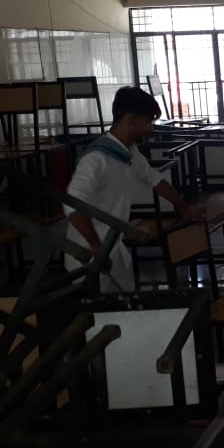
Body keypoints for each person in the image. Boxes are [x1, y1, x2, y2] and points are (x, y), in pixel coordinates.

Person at [64, 86, 198, 293]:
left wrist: (184, 208)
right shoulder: (96, 159)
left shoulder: (129, 153)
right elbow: (72, 204)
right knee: (99, 309)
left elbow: (155, 180)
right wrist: (95, 246)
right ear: (131, 119)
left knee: (124, 303)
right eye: (148, 121)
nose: (151, 128)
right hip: (88, 254)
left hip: (113, 247)